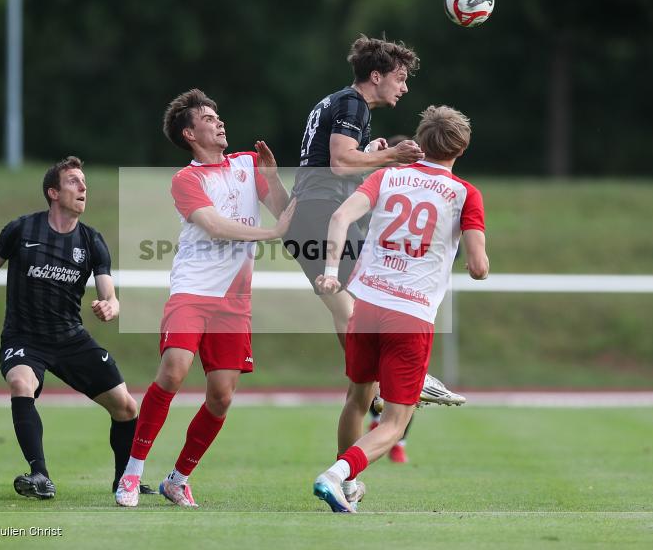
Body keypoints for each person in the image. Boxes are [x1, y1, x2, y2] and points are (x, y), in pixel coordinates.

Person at [115, 89, 294, 508]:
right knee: (174, 371)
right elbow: (214, 225)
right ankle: (132, 471)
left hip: (234, 301)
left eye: (219, 116)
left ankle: (177, 479)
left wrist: (274, 175)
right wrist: (269, 234)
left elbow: (286, 211)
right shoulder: (186, 179)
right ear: (189, 133)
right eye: (209, 119)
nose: (219, 122)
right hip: (193, 291)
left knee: (221, 396)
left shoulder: (250, 163)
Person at [311, 105, 489, 512]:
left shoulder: (387, 175)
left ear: (421, 142)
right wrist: (471, 258)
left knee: (357, 398)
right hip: (410, 313)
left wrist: (331, 271)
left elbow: (340, 216)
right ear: (461, 148)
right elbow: (478, 268)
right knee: (393, 423)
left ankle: (349, 486)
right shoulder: (465, 194)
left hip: (366, 304)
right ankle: (337, 475)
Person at [0, 156, 146, 499]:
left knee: (126, 407)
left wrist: (110, 307)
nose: (83, 187)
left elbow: (109, 293)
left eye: (84, 182)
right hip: (24, 338)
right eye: (73, 181)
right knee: (21, 383)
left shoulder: (92, 241)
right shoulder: (21, 230)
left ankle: (122, 481)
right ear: (53, 192)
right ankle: (39, 475)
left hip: (70, 338)